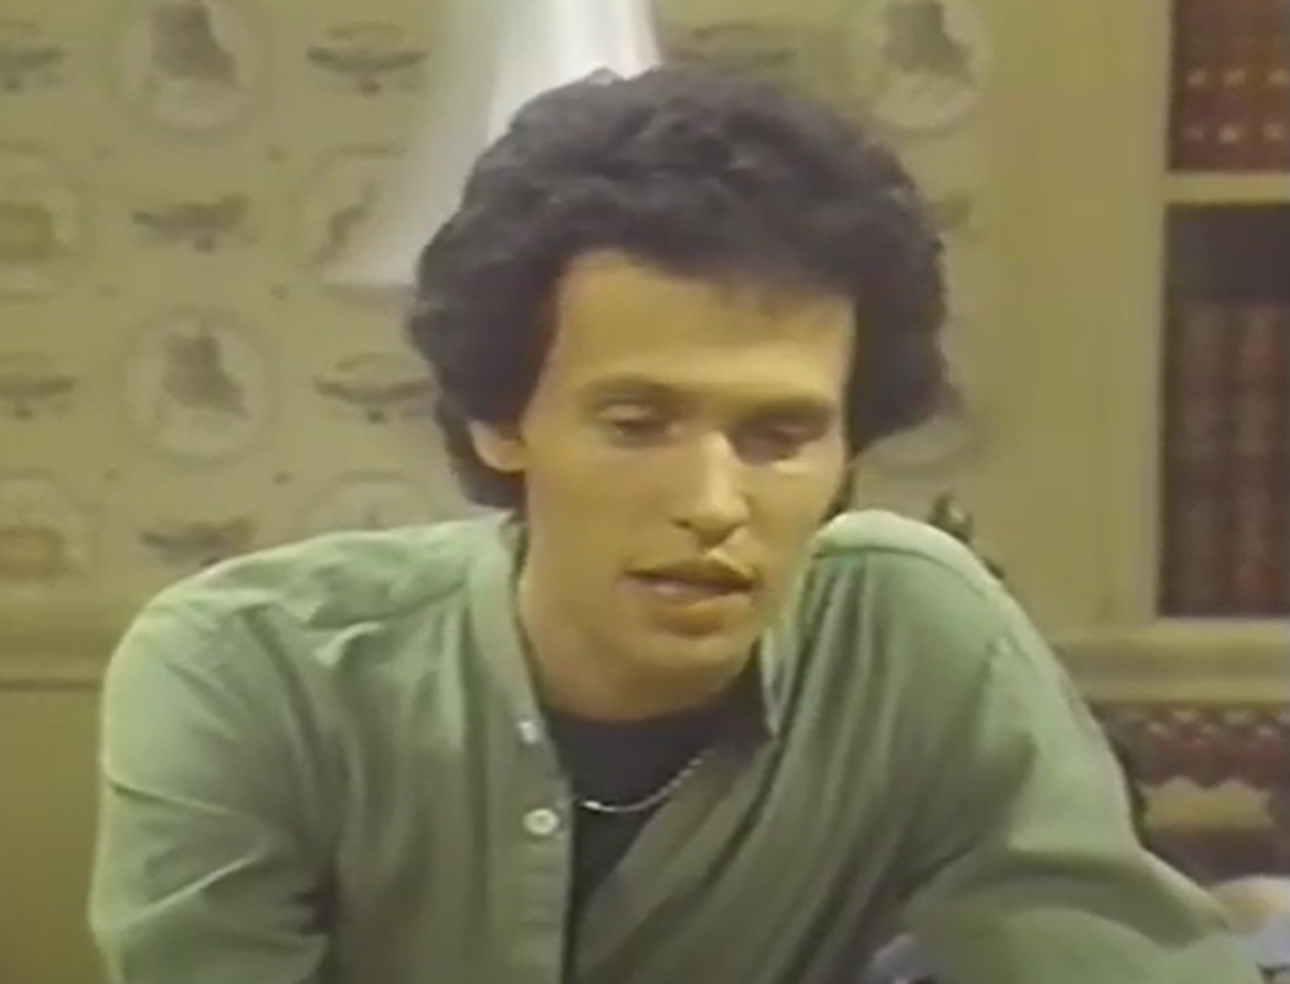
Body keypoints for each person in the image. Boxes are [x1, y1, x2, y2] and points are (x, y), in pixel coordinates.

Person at [88, 65, 1262, 984]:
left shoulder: (915, 641)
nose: (712, 503)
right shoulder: (247, 672)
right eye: (638, 422)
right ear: (503, 420)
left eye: (779, 435)